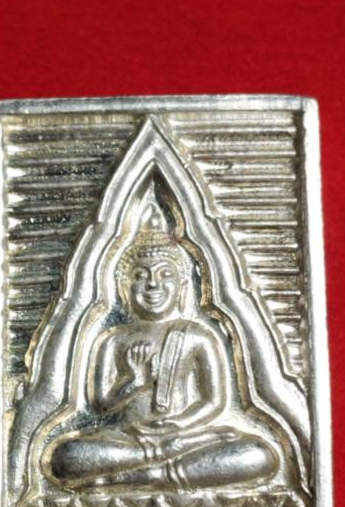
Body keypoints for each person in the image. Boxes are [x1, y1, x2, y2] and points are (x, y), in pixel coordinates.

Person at [49, 203, 280, 489]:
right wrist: (134, 381)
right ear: (124, 286)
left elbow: (214, 402)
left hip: (185, 436)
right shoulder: (112, 339)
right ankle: (159, 467)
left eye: (165, 274)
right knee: (67, 456)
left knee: (257, 454)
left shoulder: (198, 335)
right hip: (129, 439)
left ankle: (146, 475)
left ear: (182, 285)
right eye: (140, 276)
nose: (152, 285)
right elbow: (100, 405)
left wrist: (177, 426)